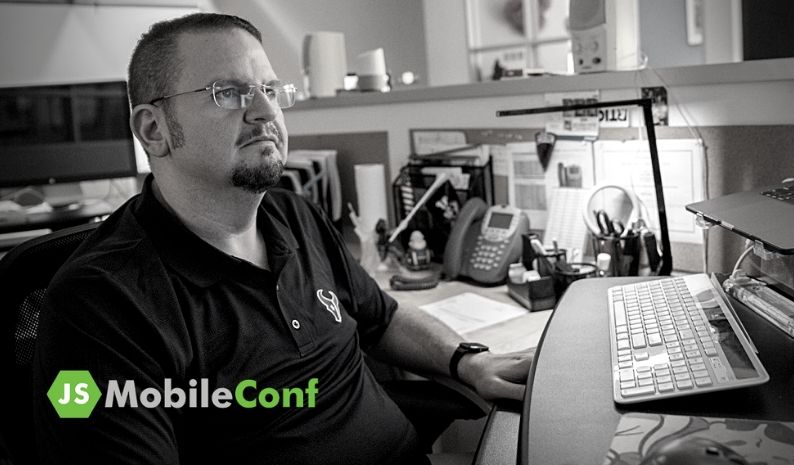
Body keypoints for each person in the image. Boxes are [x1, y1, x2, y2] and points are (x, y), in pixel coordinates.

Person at [32, 13, 534, 465]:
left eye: (270, 90)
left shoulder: (295, 216)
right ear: (154, 129)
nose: (264, 113)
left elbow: (383, 319)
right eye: (226, 93)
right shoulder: (102, 303)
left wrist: (467, 361)